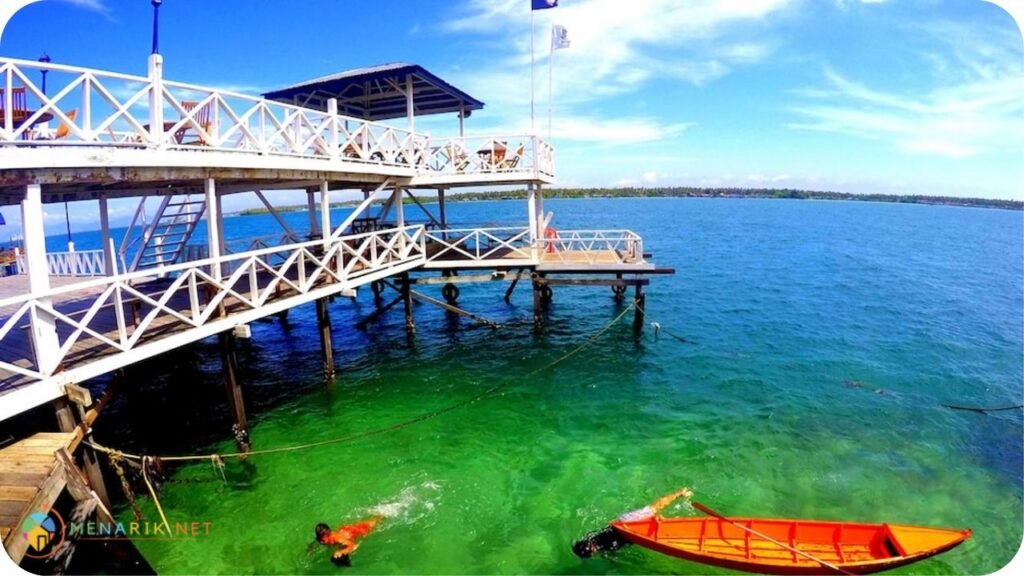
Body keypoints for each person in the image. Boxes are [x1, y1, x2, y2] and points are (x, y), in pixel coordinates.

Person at [572, 487, 693, 559]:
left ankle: (679, 493)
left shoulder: (604, 546)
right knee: (655, 511)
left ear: (593, 551)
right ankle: (677, 498)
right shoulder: (592, 537)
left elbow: (617, 541)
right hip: (623, 524)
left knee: (655, 512)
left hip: (627, 527)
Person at [313, 517, 381, 566]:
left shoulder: (336, 538)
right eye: (321, 539)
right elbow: (315, 541)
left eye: (324, 539)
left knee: (375, 521)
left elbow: (353, 545)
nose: (322, 542)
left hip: (358, 530)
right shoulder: (320, 539)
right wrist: (310, 549)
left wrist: (341, 552)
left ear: (329, 534)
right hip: (346, 530)